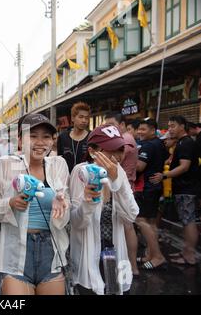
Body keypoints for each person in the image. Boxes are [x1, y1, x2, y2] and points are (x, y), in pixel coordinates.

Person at [0, 114, 70, 295]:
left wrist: (63, 204)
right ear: (20, 140)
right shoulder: (5, 164)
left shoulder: (59, 165)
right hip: (16, 254)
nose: (40, 142)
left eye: (46, 136)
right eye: (33, 135)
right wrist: (10, 203)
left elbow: (68, 211)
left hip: (51, 253)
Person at [70, 124, 139, 295]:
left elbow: (131, 215)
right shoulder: (81, 172)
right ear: (93, 151)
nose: (116, 157)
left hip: (116, 253)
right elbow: (76, 222)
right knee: (92, 290)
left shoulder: (118, 172)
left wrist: (117, 183)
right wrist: (89, 202)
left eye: (120, 150)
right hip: (89, 255)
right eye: (110, 150)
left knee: (118, 290)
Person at [150, 116, 199, 266]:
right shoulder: (183, 142)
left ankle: (189, 255)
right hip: (183, 188)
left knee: (188, 221)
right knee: (186, 220)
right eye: (169, 126)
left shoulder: (186, 143)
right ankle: (186, 251)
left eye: (173, 126)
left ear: (182, 127)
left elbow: (184, 167)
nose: (170, 129)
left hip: (186, 188)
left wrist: (164, 175)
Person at [104, 112, 140, 276]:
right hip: (120, 183)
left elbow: (116, 162)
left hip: (122, 184)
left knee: (127, 225)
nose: (109, 129)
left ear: (123, 124)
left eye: (112, 125)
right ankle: (130, 267)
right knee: (125, 226)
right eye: (106, 126)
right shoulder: (126, 138)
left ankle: (130, 266)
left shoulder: (124, 140)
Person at [135, 119, 168, 270]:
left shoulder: (148, 146)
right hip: (155, 187)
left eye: (143, 129)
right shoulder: (160, 144)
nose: (140, 132)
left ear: (153, 129)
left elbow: (140, 167)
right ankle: (151, 254)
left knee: (142, 220)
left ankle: (158, 256)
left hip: (148, 188)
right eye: (139, 129)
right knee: (151, 222)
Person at [57, 102, 91, 173]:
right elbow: (59, 160)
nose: (84, 121)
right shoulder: (63, 137)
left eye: (86, 118)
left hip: (86, 180)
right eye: (81, 117)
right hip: (65, 179)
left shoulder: (92, 137)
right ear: (73, 118)